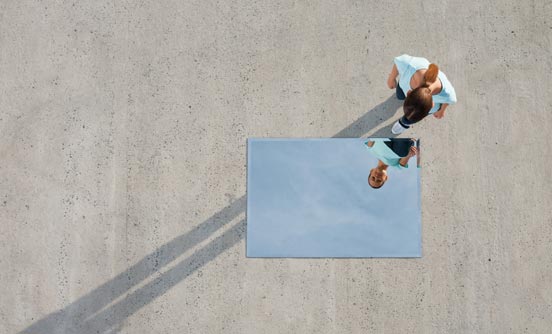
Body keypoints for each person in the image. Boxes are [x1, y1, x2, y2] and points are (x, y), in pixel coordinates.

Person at [387, 54, 457, 134]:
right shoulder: (410, 65)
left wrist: (442, 110)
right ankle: (406, 120)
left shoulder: (447, 92)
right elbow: (399, 61)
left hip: (404, 86)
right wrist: (391, 79)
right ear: (432, 105)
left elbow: (451, 99)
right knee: (400, 96)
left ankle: (404, 123)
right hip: (403, 87)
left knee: (410, 117)